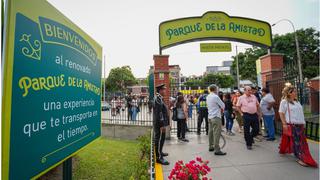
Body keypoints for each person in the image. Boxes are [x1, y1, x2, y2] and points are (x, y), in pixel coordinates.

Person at [278, 85, 318, 167]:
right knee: (298, 143)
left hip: (300, 125)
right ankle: (300, 158)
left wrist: (303, 123)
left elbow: (301, 114)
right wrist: (284, 124)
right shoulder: (284, 102)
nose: (296, 93)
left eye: (296, 91)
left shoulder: (297, 102)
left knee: (299, 142)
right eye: (294, 91)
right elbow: (281, 113)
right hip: (292, 125)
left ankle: (286, 151)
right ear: (289, 93)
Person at [236, 86, 261, 150]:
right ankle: (249, 144)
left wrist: (258, 112)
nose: (250, 91)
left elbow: (258, 105)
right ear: (245, 91)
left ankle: (250, 137)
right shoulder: (241, 98)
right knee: (246, 130)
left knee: (256, 129)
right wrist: (241, 113)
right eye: (249, 90)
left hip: (254, 115)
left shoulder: (254, 96)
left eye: (251, 90)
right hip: (246, 115)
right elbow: (238, 106)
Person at [207, 84, 226, 155]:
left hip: (210, 116)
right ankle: (217, 149)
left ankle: (210, 146)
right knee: (216, 133)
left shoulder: (208, 96)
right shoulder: (215, 96)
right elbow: (223, 105)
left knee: (211, 132)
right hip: (216, 116)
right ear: (215, 89)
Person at [153, 84, 169, 165]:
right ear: (160, 90)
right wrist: (162, 124)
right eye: (164, 89)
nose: (165, 91)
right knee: (159, 139)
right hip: (160, 123)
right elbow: (159, 113)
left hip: (161, 122)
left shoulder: (159, 98)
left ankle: (160, 152)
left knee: (161, 139)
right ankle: (159, 158)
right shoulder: (158, 99)